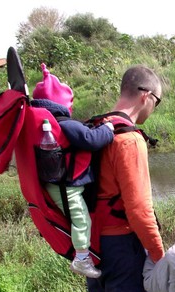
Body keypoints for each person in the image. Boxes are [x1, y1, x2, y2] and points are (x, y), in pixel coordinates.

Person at [88, 65, 166, 292]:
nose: (154, 108)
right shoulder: (130, 140)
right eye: (157, 102)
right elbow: (139, 211)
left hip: (92, 245)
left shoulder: (97, 127)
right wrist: (161, 258)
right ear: (146, 95)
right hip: (122, 246)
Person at [31, 63, 114, 279]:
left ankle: (83, 253)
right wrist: (109, 129)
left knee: (76, 218)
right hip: (67, 187)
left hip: (53, 183)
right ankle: (82, 258)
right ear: (64, 104)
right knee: (81, 219)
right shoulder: (64, 123)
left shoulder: (41, 124)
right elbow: (91, 140)